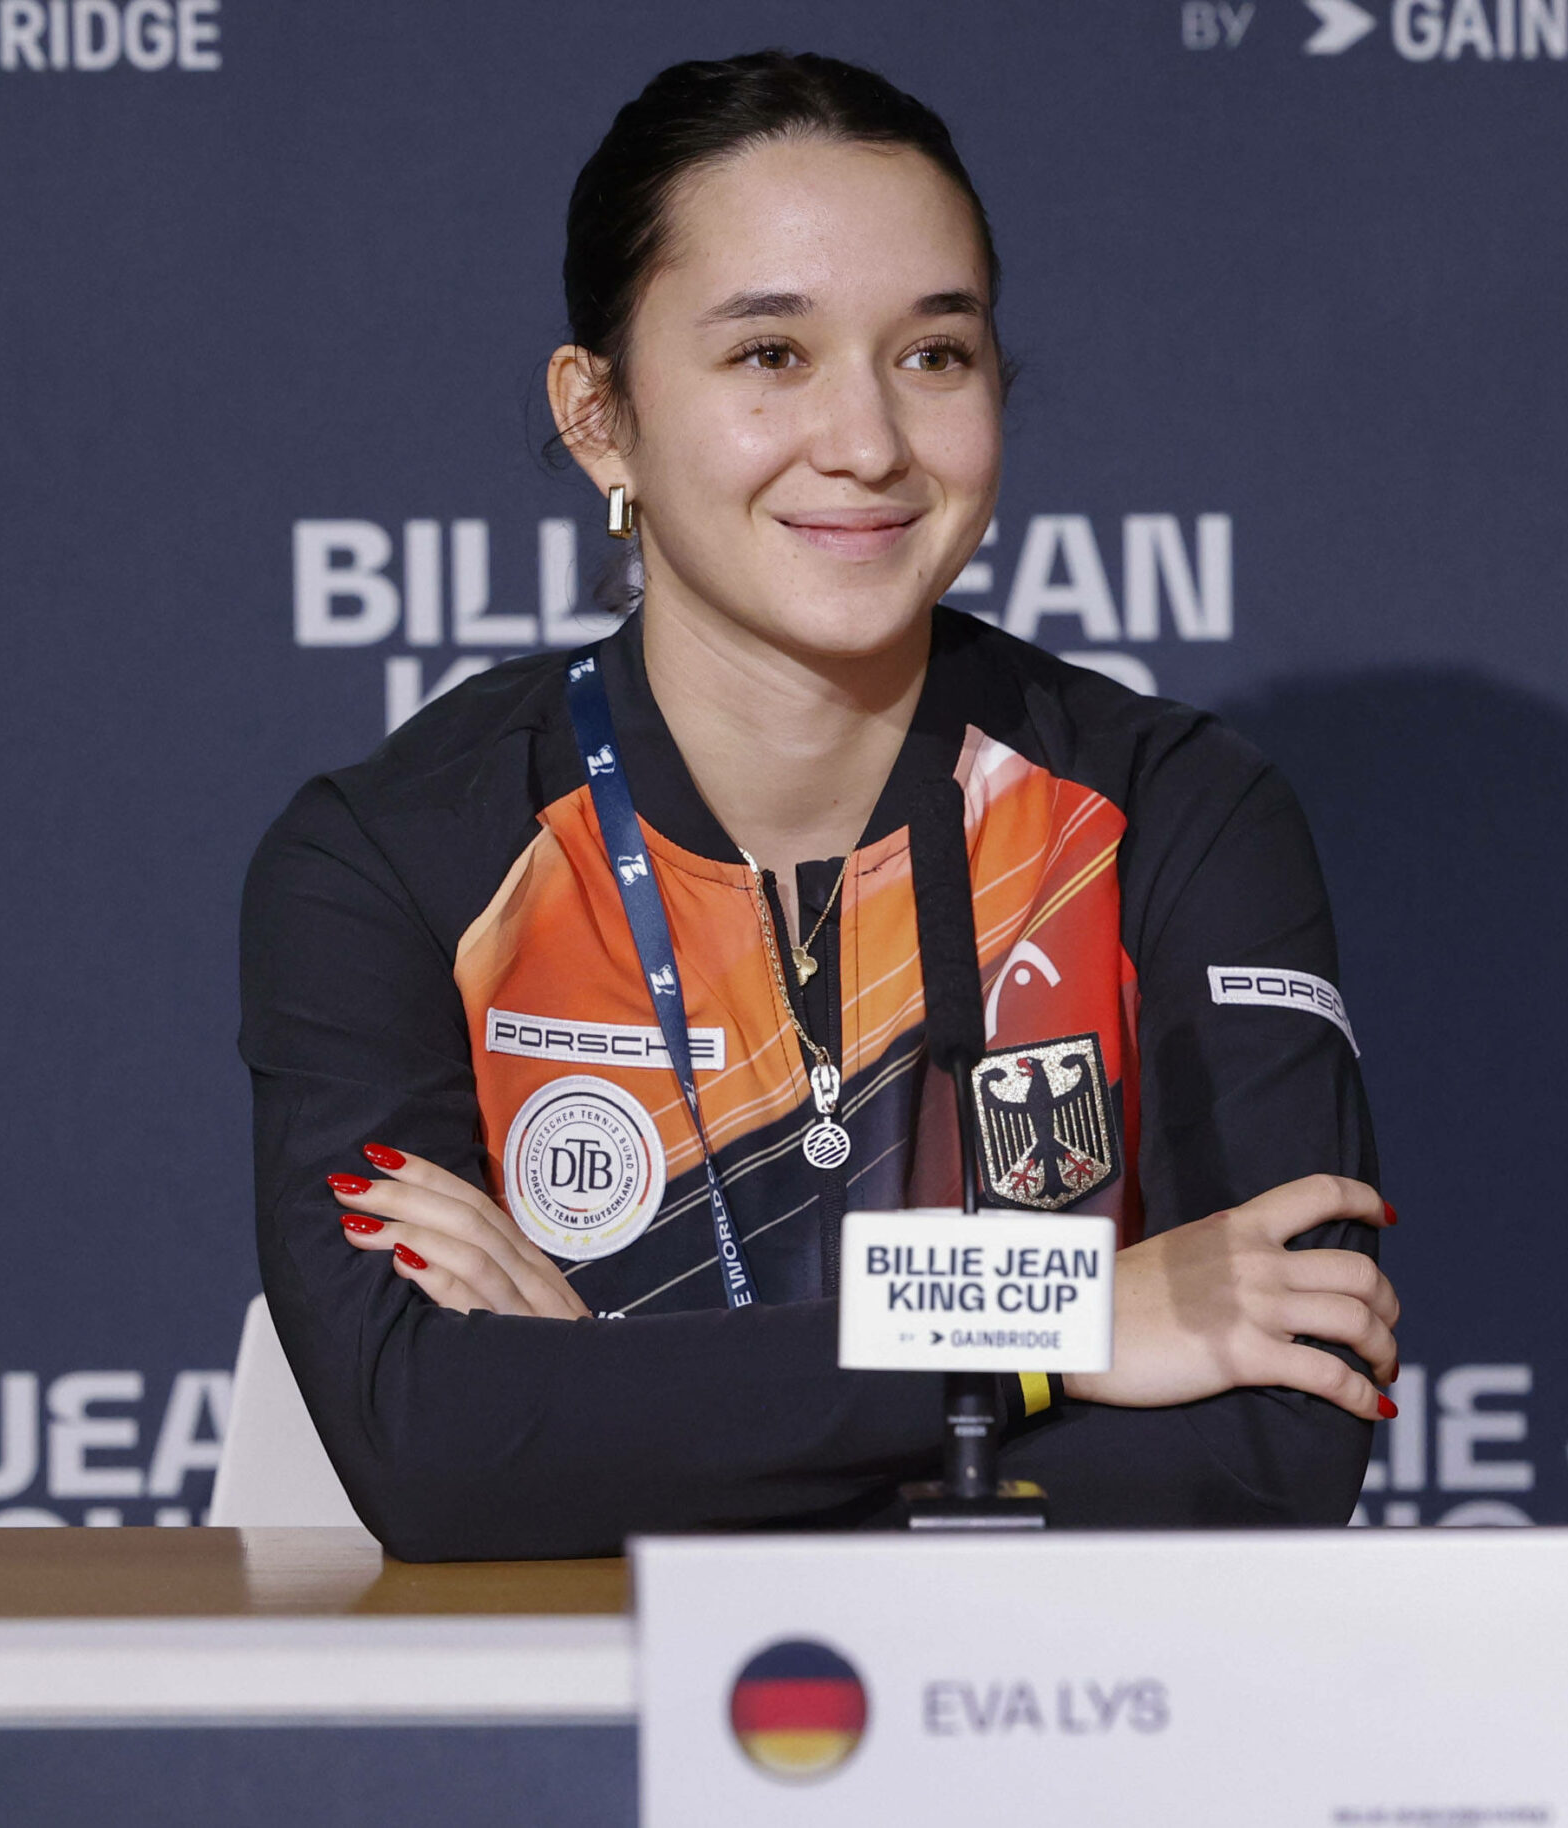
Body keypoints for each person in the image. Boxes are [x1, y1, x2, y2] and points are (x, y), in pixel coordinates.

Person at [239, 50, 1400, 1561]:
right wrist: (1060, 1330)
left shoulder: (1172, 812)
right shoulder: (392, 859)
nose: (868, 442)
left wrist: (607, 1398)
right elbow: (439, 1460)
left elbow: (1267, 1454)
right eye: (771, 356)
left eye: (933, 355)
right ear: (600, 418)